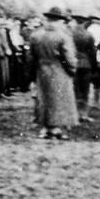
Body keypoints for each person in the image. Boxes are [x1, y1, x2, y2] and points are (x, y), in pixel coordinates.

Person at [27, 8, 80, 139]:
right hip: (58, 69)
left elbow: (30, 57)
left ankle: (45, 127)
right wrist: (72, 70)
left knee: (44, 98)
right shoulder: (63, 36)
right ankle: (55, 128)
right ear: (60, 21)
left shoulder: (35, 35)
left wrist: (32, 73)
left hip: (41, 69)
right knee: (58, 100)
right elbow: (69, 57)